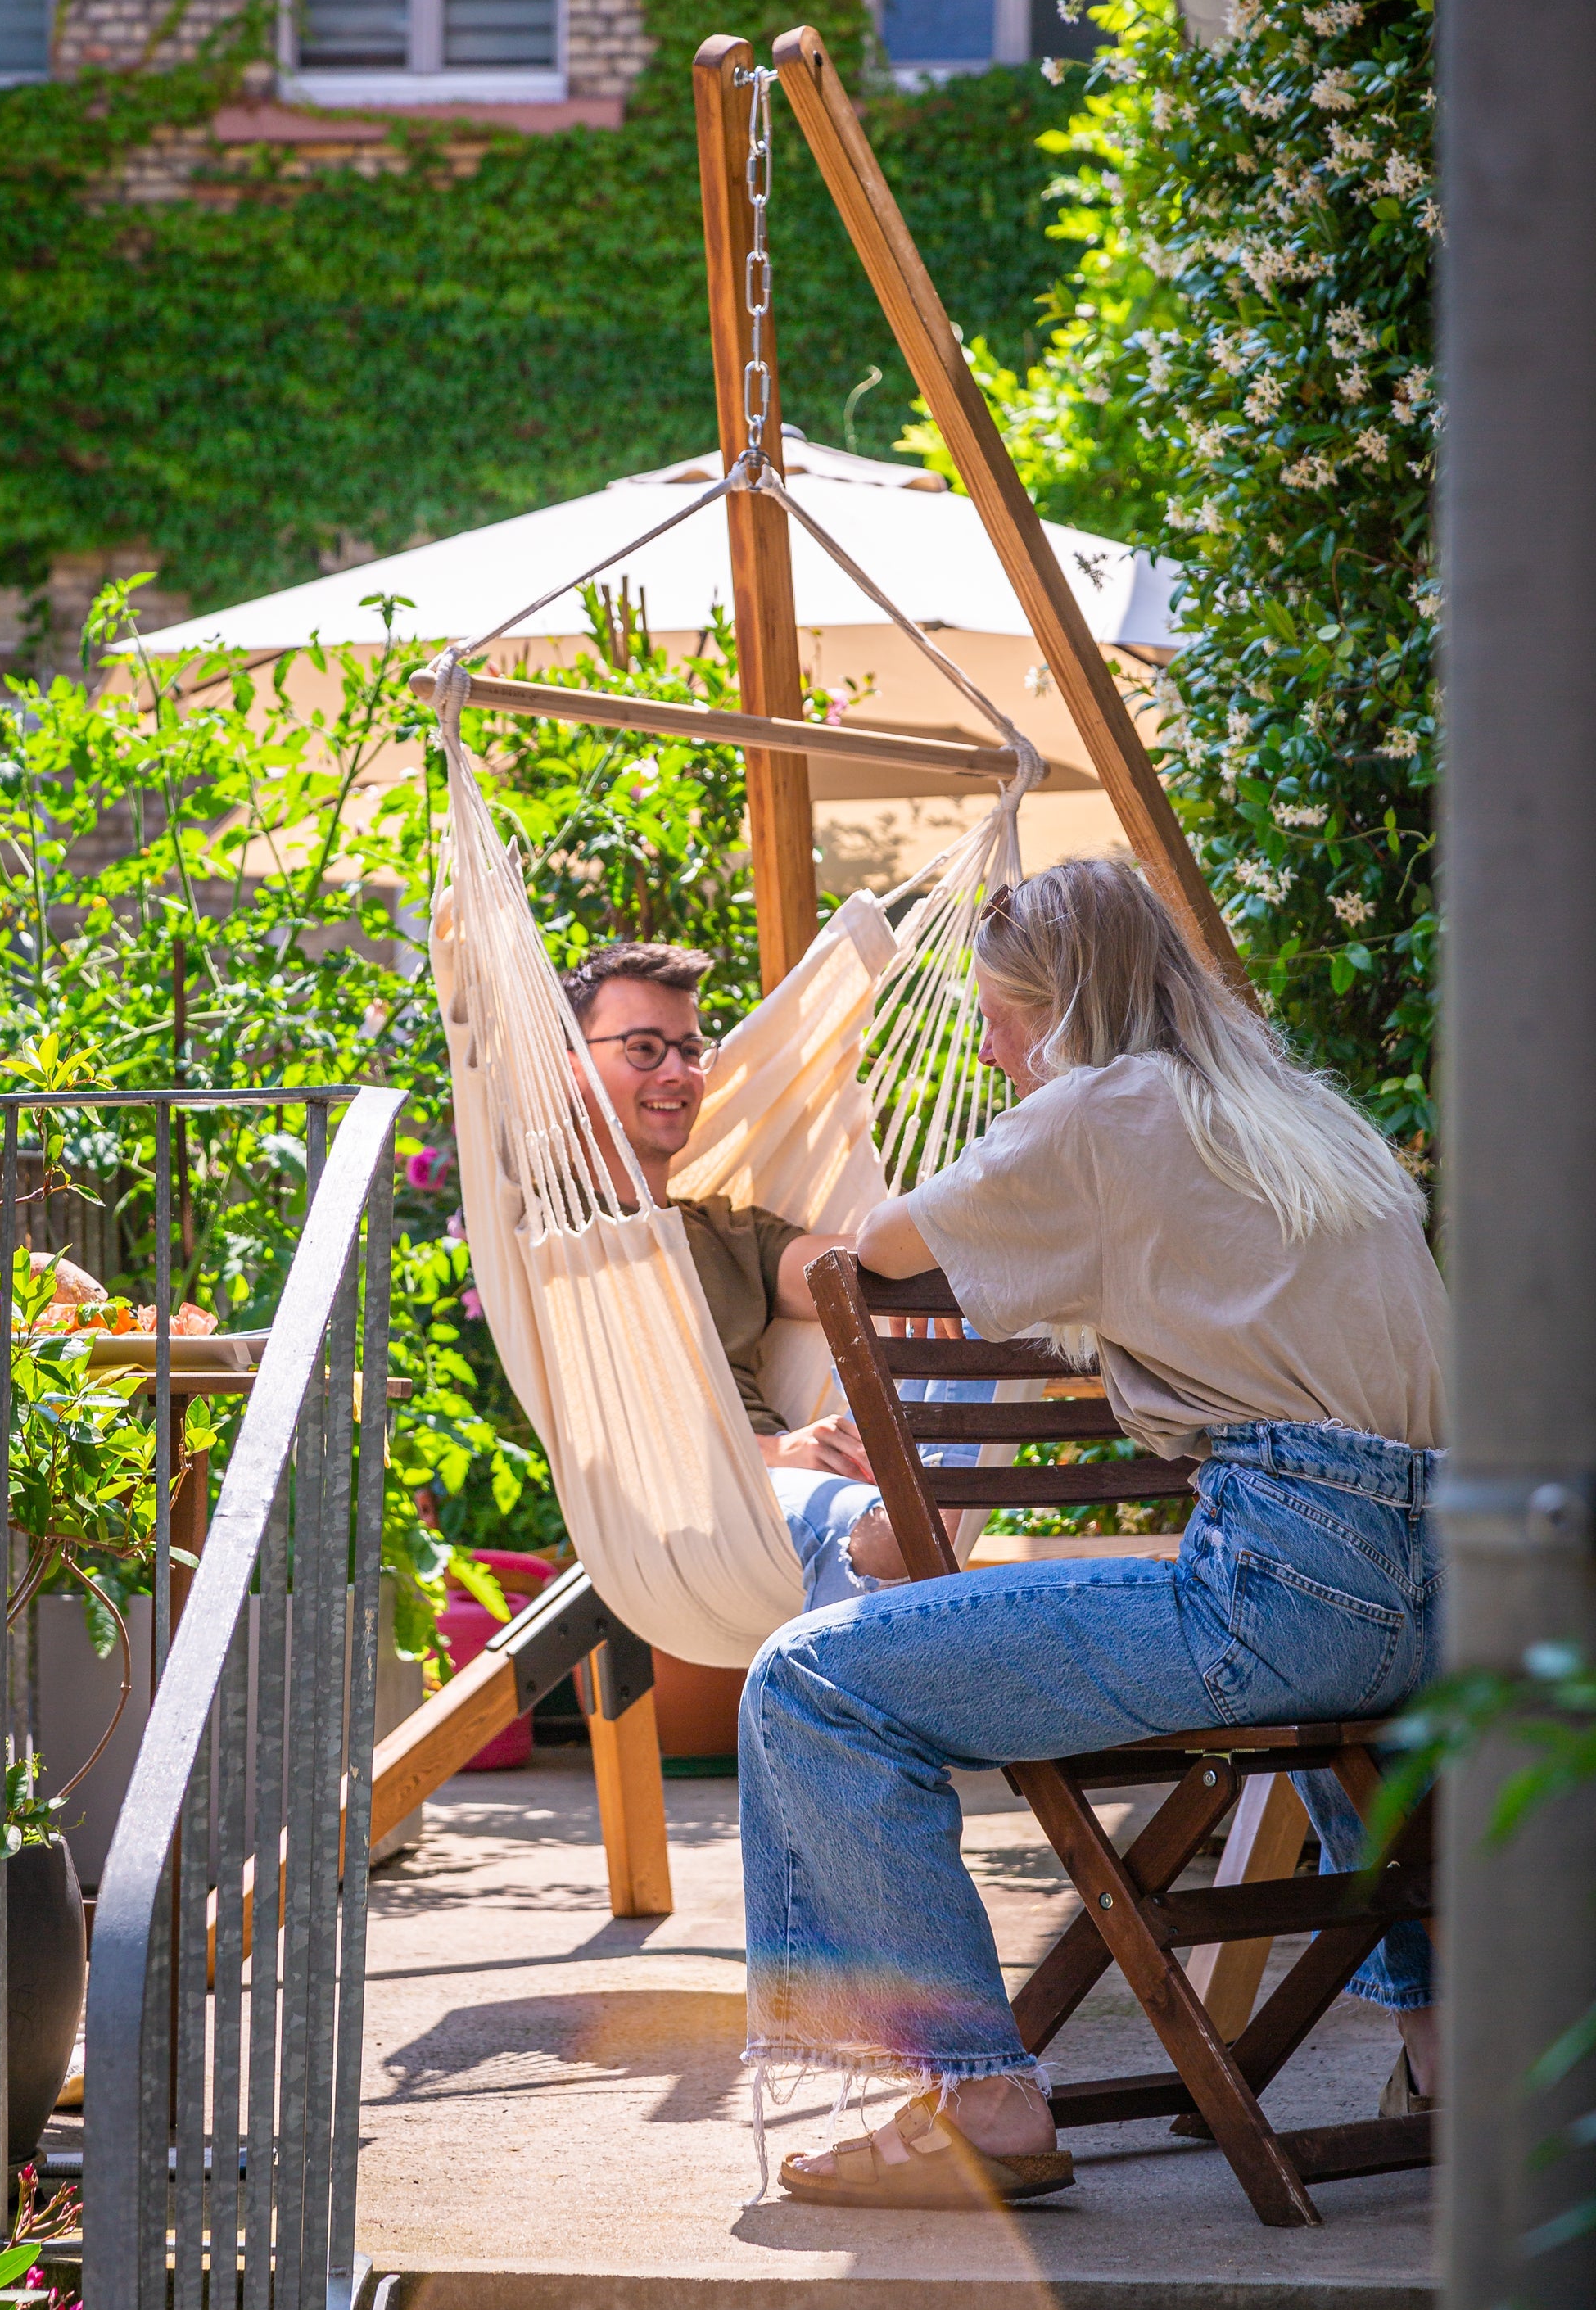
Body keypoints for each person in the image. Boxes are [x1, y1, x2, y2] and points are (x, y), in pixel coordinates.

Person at [739, 857, 1447, 2209]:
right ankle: (1446, 2051)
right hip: (1450, 1594)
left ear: (1061, 1009)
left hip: (1294, 1588)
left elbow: (879, 1245)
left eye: (997, 1018)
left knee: (812, 1680)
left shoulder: (1101, 1109)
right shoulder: (1305, 1118)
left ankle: (981, 2100)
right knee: (1340, 1708)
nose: (989, 1053)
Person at [563, 941, 980, 1607]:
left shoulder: (725, 1233)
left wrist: (954, 1243)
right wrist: (769, 1453)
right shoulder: (553, 1248)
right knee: (888, 1536)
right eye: (643, 1048)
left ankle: (921, 1520)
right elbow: (604, 1433)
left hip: (792, 1494)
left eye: (690, 1049)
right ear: (571, 1066)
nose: (677, 1072)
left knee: (974, 1287)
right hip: (698, 1504)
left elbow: (866, 1264)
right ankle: (914, 1533)